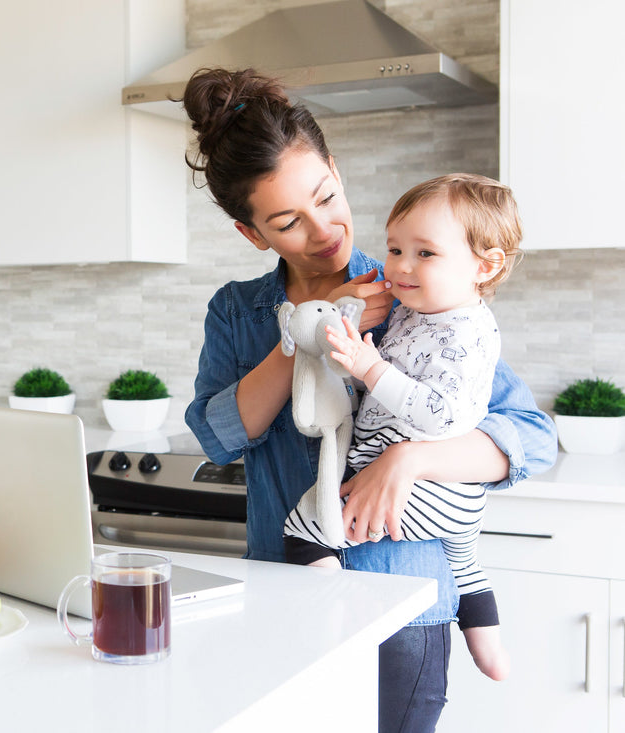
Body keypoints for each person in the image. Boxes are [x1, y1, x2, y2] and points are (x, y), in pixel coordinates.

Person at [182, 68, 557, 732]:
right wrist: (310, 332)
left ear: (336, 168)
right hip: (280, 595)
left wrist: (410, 458)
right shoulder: (237, 313)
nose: (324, 230)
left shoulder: (419, 286)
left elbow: (527, 433)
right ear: (252, 234)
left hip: (405, 600)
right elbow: (218, 436)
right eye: (288, 221)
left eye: (327, 196)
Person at [282, 173, 524, 682]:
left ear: (486, 265)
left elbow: (441, 414)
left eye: (425, 253)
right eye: (394, 248)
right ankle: (492, 653)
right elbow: (385, 391)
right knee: (466, 565)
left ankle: (337, 617)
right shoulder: (420, 312)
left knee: (305, 528)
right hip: (451, 498)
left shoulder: (467, 331)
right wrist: (355, 364)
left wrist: (370, 369)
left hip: (428, 488)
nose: (401, 266)